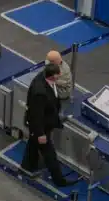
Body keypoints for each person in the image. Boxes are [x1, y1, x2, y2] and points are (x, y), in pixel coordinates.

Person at [22, 50, 72, 187]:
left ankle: (27, 166)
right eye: (58, 74)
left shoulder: (44, 79)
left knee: (33, 144)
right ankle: (59, 180)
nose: (60, 75)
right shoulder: (40, 92)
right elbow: (36, 115)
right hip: (41, 126)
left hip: (44, 122)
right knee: (49, 154)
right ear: (52, 77)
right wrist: (40, 134)